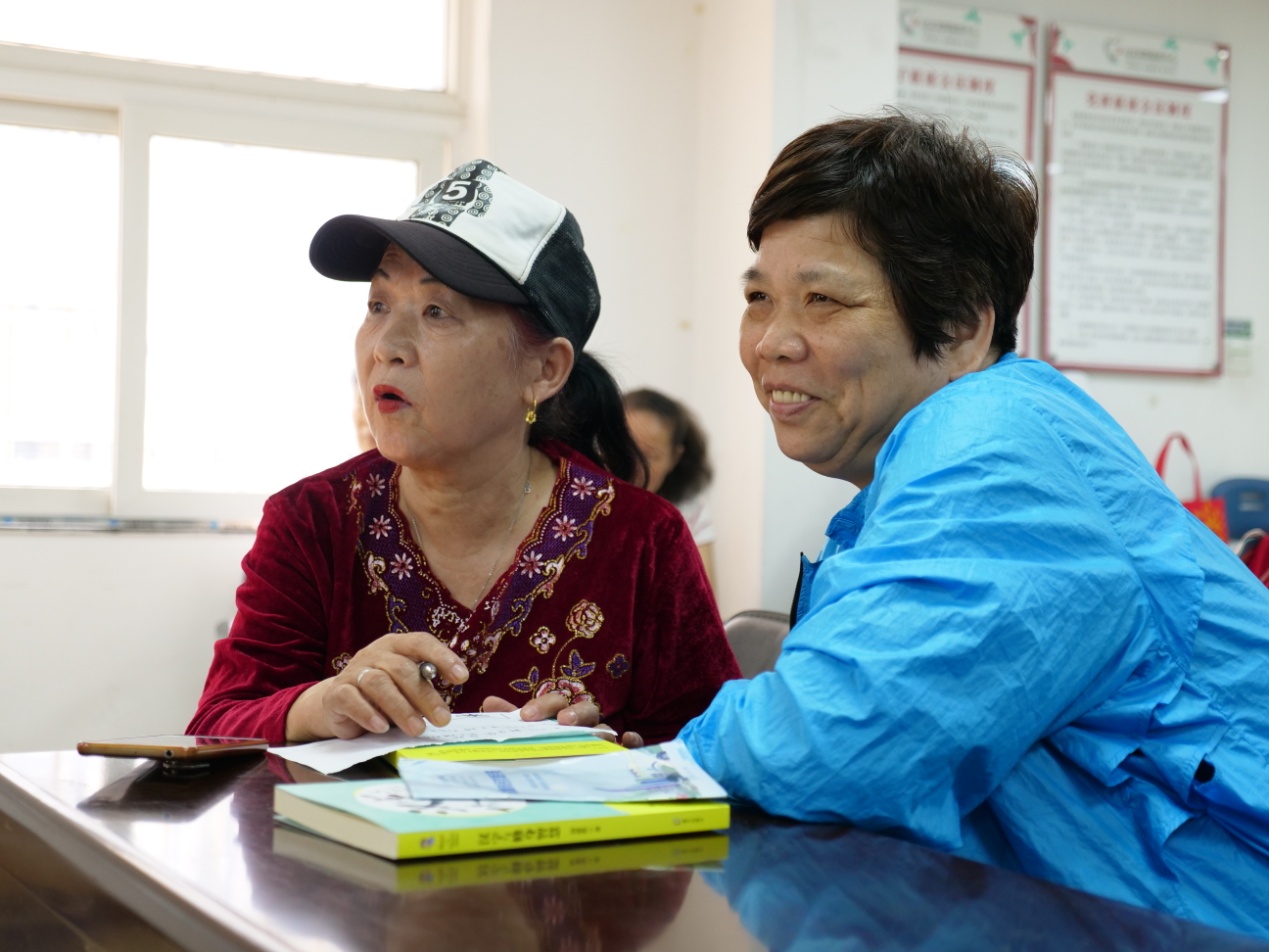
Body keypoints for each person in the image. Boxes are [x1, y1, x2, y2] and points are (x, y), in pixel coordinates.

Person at [677, 113, 1269, 936]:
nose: (772, 341)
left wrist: (662, 753)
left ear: (960, 326)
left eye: (823, 299)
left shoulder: (994, 447)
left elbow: (834, 742)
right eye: (757, 298)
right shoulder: (960, 445)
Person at [188, 159, 739, 748]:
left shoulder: (642, 540)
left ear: (544, 369)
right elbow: (216, 726)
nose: (387, 347)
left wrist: (614, 756)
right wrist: (322, 703)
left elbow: (717, 750)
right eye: (378, 305)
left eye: (436, 312)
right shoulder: (312, 520)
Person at [622, 388, 717, 589]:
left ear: (674, 458)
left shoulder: (690, 515)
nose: (636, 466)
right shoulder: (584, 504)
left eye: (650, 456)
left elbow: (704, 598)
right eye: (625, 450)